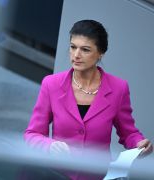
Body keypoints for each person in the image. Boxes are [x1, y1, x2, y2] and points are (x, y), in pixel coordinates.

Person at [24, 20, 153, 179]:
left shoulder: (119, 88)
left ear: (101, 53)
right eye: (73, 47)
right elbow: (32, 134)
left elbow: (129, 133)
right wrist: (50, 146)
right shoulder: (51, 84)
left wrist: (139, 144)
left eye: (85, 49)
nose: (76, 55)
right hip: (55, 174)